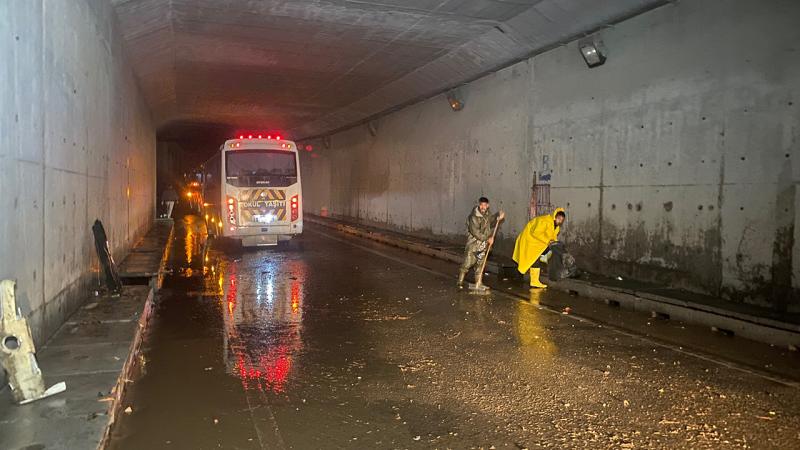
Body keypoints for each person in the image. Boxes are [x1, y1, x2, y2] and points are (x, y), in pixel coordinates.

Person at [458, 197, 505, 288]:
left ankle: (478, 282)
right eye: (481, 205)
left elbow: (491, 222)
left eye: (485, 205)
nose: (483, 207)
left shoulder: (487, 215)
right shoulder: (473, 217)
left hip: (483, 245)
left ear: (488, 206)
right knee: (468, 263)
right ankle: (460, 281)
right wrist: (487, 239)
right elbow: (475, 232)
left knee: (480, 264)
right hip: (474, 244)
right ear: (479, 205)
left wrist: (497, 216)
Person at [512, 208, 566, 288]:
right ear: (555, 216)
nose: (560, 221)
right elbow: (536, 233)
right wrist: (548, 241)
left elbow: (553, 237)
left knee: (534, 260)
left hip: (538, 244)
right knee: (533, 260)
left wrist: (556, 243)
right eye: (559, 219)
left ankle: (531, 280)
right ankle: (532, 281)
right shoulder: (545, 221)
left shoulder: (556, 227)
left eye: (562, 220)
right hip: (529, 241)